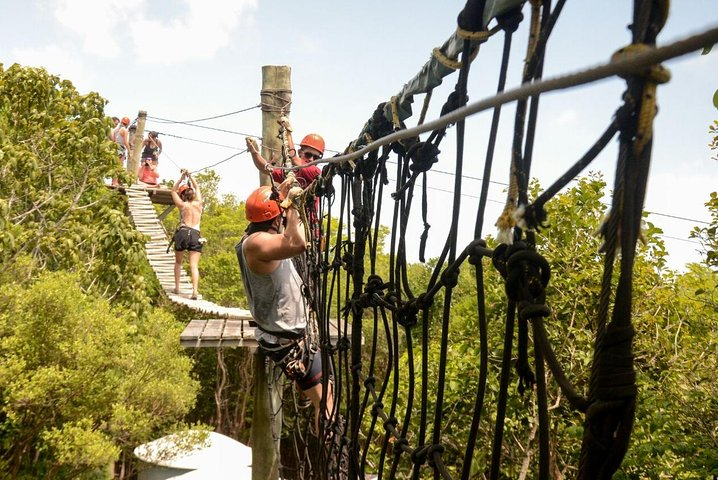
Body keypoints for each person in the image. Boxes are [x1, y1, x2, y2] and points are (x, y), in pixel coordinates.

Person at [236, 181, 332, 431]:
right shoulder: (257, 243)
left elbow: (290, 237)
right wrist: (292, 205)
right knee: (326, 401)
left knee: (325, 396)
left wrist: (282, 193)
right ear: (274, 218)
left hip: (287, 336)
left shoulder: (254, 238)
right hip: (287, 341)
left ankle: (330, 452)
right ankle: (333, 463)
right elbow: (298, 244)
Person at [245, 116, 322, 189]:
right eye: (308, 155)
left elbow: (294, 159)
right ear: (300, 152)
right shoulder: (289, 173)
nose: (311, 160)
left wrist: (288, 133)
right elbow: (265, 168)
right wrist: (254, 152)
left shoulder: (317, 173)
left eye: (316, 158)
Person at [171, 170, 203, 300]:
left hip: (183, 232)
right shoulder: (199, 204)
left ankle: (177, 287)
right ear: (193, 195)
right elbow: (197, 187)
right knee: (194, 265)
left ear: (184, 196)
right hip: (195, 234)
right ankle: (195, 291)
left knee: (178, 262)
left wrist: (181, 178)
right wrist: (190, 176)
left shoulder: (182, 205)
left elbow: (173, 191)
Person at [111, 116, 131, 185]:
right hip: (121, 148)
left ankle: (114, 181)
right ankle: (116, 182)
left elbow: (113, 139)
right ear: (127, 124)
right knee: (119, 166)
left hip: (115, 147)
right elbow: (125, 142)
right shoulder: (124, 130)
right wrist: (129, 151)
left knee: (115, 165)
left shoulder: (115, 129)